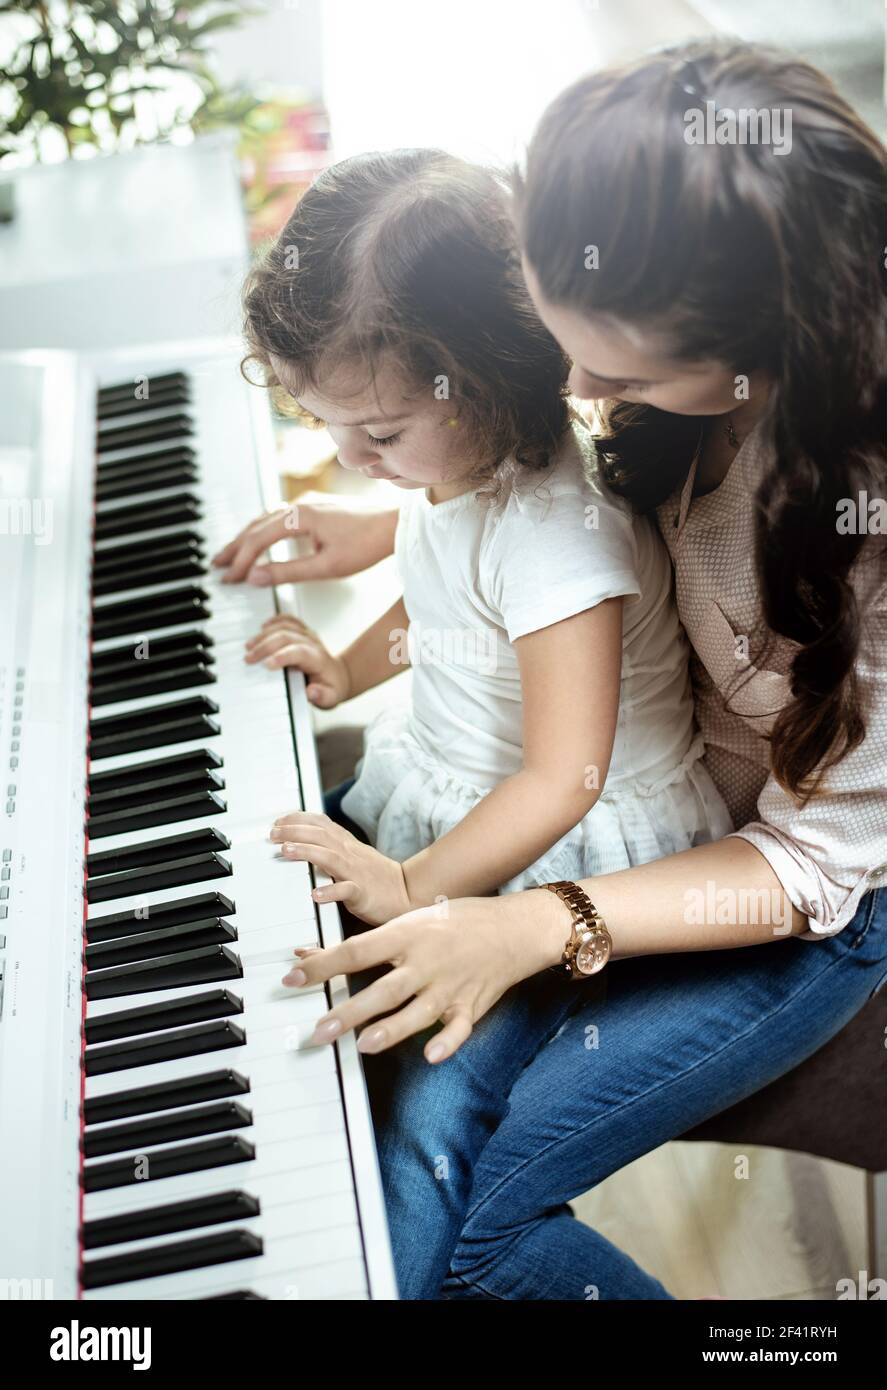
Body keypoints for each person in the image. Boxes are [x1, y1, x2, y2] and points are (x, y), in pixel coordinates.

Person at [215, 39, 887, 1299]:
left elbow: (802, 856)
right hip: (592, 801)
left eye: (619, 376)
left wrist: (519, 919)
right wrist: (393, 523)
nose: (572, 394)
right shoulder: (615, 360)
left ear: (777, 341)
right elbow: (517, 514)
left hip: (783, 890)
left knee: (442, 1237)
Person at [215, 147, 730, 928]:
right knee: (262, 867)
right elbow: (445, 603)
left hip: (556, 847)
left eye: (379, 433)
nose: (348, 459)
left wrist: (413, 889)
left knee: (438, 1037)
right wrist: (345, 673)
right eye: (327, 423)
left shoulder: (554, 541)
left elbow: (564, 779)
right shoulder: (458, 463)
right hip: (465, 787)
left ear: (488, 387)